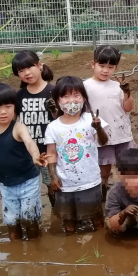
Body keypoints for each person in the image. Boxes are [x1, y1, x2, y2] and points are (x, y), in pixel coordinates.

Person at [0, 83, 46, 240]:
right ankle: (16, 250)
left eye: (8, 106)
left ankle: (35, 249)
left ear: (14, 107)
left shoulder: (18, 128)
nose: (3, 111)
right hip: (7, 184)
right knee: (11, 221)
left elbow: (29, 142)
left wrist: (36, 156)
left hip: (28, 180)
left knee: (29, 218)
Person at [44, 76, 110, 234]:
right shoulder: (53, 127)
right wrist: (53, 176)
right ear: (57, 100)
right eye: (65, 96)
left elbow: (104, 142)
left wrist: (98, 128)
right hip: (65, 184)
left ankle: (99, 249)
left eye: (76, 95)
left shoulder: (91, 120)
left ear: (84, 98)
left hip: (91, 181)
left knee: (96, 219)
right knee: (68, 223)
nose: (71, 101)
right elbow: (51, 154)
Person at [84, 46, 135, 201]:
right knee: (103, 171)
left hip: (121, 134)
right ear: (93, 64)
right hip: (100, 136)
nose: (105, 70)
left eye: (110, 67)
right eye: (102, 66)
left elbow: (128, 108)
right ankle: (102, 200)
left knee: (127, 171)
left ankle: (127, 201)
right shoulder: (85, 86)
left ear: (115, 68)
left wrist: (127, 93)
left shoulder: (117, 86)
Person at [13, 50, 57, 207]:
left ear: (40, 66)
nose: (26, 73)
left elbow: (62, 120)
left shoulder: (53, 91)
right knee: (28, 187)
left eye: (29, 67)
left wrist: (54, 110)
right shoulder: (19, 96)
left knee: (52, 184)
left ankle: (56, 213)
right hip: (27, 151)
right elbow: (13, 122)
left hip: (48, 150)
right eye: (21, 70)